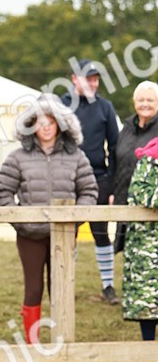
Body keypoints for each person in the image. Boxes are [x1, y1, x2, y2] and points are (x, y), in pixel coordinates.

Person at [0, 93, 97, 344]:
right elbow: (3, 193)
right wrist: (22, 221)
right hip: (30, 236)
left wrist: (72, 220)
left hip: (64, 235)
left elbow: (90, 192)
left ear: (61, 125)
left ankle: (62, 339)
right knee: (34, 289)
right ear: (32, 125)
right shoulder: (17, 158)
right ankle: (33, 342)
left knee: (60, 288)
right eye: (40, 122)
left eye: (51, 122)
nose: (46, 127)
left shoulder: (77, 157)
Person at [61, 58, 120, 303]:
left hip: (98, 177)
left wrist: (112, 181)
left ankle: (108, 286)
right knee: (67, 233)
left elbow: (115, 146)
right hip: (67, 177)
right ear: (75, 79)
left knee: (101, 231)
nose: (92, 83)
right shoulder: (61, 104)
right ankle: (65, 283)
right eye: (88, 78)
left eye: (95, 79)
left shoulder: (105, 107)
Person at [112, 81, 158, 255]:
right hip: (124, 199)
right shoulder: (127, 128)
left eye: (150, 100)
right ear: (134, 102)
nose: (145, 104)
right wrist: (112, 192)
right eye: (141, 100)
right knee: (129, 251)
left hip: (151, 204)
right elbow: (116, 161)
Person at [121, 136, 158, 341]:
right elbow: (142, 194)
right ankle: (146, 350)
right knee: (148, 301)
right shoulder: (150, 159)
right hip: (149, 240)